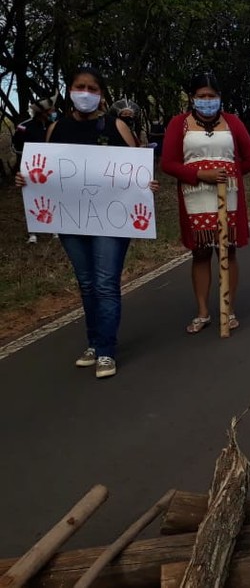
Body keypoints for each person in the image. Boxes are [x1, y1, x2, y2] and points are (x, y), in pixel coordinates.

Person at [14, 67, 152, 378]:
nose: (85, 93)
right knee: (87, 283)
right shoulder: (56, 129)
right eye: (80, 87)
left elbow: (136, 172)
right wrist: (27, 179)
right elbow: (43, 171)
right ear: (70, 91)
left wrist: (146, 185)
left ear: (101, 95)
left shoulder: (117, 126)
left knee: (105, 283)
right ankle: (94, 342)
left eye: (92, 88)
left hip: (111, 220)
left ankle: (106, 350)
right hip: (71, 220)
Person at [160, 73, 250, 334]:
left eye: (211, 96)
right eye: (201, 96)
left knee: (228, 250)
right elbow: (168, 163)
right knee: (201, 253)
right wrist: (199, 175)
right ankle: (203, 311)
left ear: (219, 97)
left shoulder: (233, 122)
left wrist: (231, 175)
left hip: (229, 196)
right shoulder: (178, 124)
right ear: (192, 98)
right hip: (195, 197)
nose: (206, 101)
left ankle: (229, 308)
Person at [13, 97, 56, 244]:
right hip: (31, 168)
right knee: (31, 197)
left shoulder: (54, 125)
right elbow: (16, 147)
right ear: (43, 112)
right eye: (51, 110)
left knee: (52, 196)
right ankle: (33, 232)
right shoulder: (24, 127)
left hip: (51, 168)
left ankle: (54, 227)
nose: (54, 112)